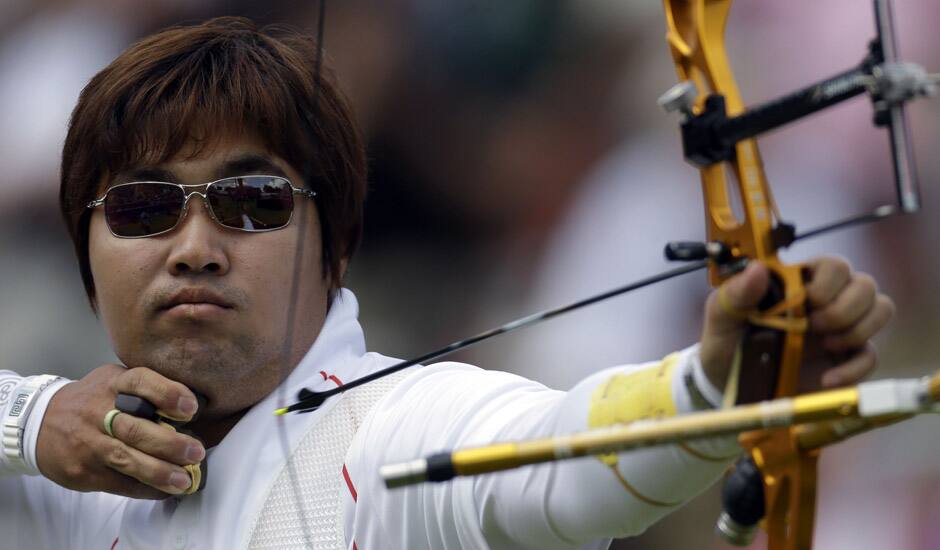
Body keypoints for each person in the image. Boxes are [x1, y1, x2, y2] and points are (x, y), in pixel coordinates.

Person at [0, 17, 894, 550]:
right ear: (85, 255)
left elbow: (561, 460)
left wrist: (712, 388)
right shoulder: (80, 464)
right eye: (145, 207)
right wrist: (30, 424)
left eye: (254, 201)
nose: (194, 246)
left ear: (335, 249)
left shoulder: (392, 436)